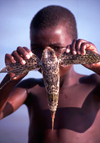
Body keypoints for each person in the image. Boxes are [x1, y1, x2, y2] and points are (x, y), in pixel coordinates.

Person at [0, 5, 100, 143]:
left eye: (56, 48)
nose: (45, 56)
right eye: (36, 48)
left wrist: (98, 66)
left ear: (74, 45)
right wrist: (11, 77)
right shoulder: (30, 88)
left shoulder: (94, 84)